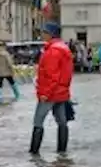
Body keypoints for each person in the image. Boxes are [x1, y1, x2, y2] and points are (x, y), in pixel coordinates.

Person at [31, 22, 74, 155]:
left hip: (50, 93)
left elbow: (51, 75)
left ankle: (34, 152)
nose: (42, 35)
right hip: (62, 93)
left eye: (44, 32)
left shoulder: (52, 51)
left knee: (38, 121)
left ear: (50, 34)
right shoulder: (64, 49)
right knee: (62, 122)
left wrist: (45, 93)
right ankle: (62, 152)